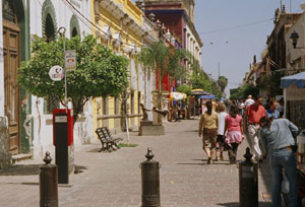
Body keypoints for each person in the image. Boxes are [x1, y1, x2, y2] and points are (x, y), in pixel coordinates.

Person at [259, 116, 299, 207]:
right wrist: (290, 137)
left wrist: (264, 155)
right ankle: (293, 204)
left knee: (276, 182)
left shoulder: (262, 131)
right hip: (287, 151)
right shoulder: (284, 121)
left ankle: (276, 205)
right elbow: (296, 130)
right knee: (293, 181)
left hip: (274, 156)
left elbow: (265, 150)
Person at [245, 96, 266, 162]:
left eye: (261, 102)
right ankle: (259, 155)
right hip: (251, 125)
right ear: (255, 100)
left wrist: (261, 125)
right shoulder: (249, 107)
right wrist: (245, 126)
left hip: (259, 126)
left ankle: (254, 155)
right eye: (259, 101)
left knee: (258, 141)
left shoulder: (262, 108)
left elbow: (264, 118)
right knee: (254, 141)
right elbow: (246, 117)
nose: (260, 103)